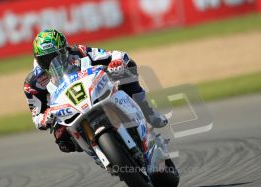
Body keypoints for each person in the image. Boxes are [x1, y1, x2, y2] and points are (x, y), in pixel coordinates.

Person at [24, 29, 167, 153]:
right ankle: (100, 150)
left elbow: (116, 54)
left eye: (56, 55)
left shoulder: (79, 51)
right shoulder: (33, 83)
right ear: (37, 59)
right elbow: (37, 118)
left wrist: (116, 63)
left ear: (65, 50)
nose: (52, 62)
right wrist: (45, 117)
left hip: (92, 92)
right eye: (45, 59)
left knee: (128, 68)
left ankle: (145, 109)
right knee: (62, 140)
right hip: (65, 110)